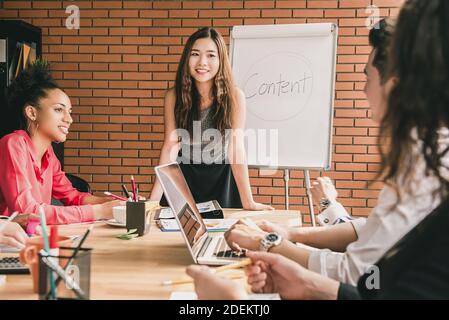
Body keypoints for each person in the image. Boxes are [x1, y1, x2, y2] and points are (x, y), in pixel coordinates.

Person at [186, 0, 449, 299]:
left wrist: (238, 295)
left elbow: (358, 276)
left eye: (367, 77)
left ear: (396, 85)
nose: (363, 90)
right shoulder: (429, 153)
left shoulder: (426, 165)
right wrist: (290, 239)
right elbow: (371, 231)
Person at [149, 27, 273, 211]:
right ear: (186, 58)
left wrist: (249, 201)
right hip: (184, 177)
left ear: (221, 60)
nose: (202, 62)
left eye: (211, 55)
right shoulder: (173, 96)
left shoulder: (234, 96)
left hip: (221, 179)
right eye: (195, 54)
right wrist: (152, 201)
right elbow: (170, 147)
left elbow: (236, 148)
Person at [0, 60, 123, 234]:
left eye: (69, 112)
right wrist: (98, 212)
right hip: (9, 244)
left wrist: (113, 205)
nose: (69, 119)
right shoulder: (13, 144)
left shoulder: (48, 155)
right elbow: (27, 211)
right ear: (32, 113)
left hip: (34, 238)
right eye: (59, 110)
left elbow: (73, 197)